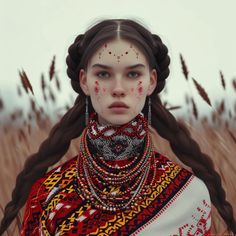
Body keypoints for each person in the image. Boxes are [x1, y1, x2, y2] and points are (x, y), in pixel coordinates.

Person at [0, 18, 235, 236]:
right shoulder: (49, 195)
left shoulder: (189, 196)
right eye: (103, 73)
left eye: (133, 74)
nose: (118, 88)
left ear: (151, 81)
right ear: (84, 81)